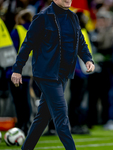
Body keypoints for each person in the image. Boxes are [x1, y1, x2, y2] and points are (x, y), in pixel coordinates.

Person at [11, 0, 95, 150]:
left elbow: (80, 42)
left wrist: (88, 59)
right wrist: (17, 69)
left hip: (62, 75)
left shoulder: (73, 17)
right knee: (62, 118)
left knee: (42, 118)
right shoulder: (42, 17)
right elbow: (27, 44)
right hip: (46, 74)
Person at [7, 9, 33, 136]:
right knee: (25, 99)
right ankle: (26, 124)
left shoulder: (17, 30)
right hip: (28, 72)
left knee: (18, 100)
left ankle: (21, 124)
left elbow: (10, 51)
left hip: (15, 71)